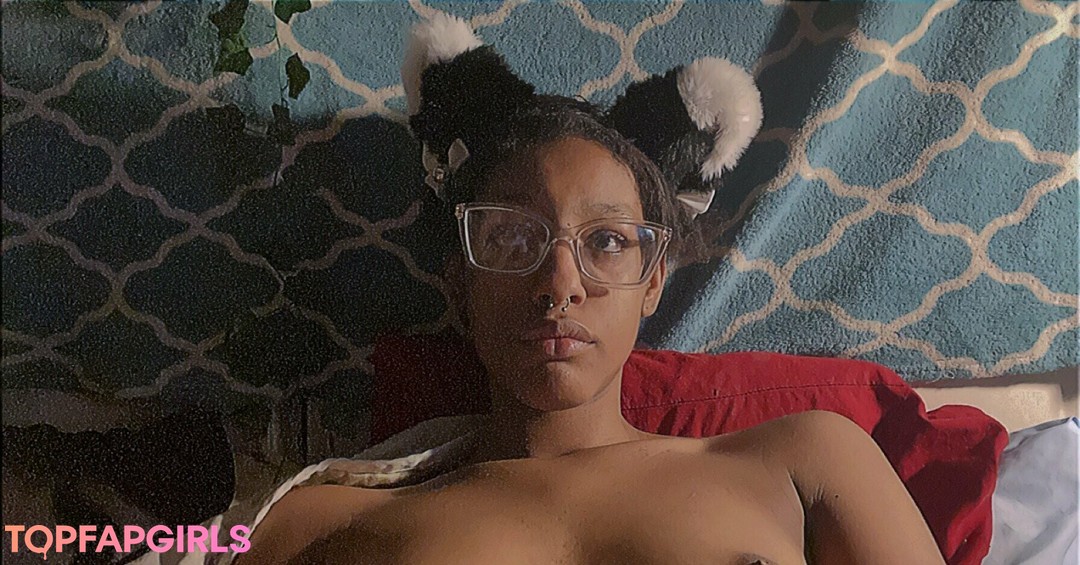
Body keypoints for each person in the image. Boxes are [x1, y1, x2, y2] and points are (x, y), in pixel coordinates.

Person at [235, 15, 947, 565]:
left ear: (653, 281)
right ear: (460, 282)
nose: (560, 284)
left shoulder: (807, 459)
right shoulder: (320, 522)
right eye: (513, 237)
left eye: (606, 241)